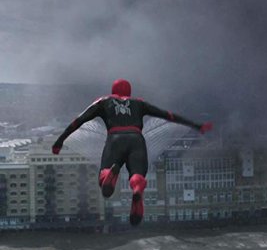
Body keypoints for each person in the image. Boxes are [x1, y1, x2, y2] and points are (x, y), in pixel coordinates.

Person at [52, 79, 212, 225]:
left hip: (115, 138)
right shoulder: (139, 103)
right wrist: (196, 125)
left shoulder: (103, 101)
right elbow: (168, 115)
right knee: (137, 174)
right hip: (136, 139)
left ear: (113, 90)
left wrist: (60, 141)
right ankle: (136, 189)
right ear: (129, 91)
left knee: (104, 177)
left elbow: (79, 121)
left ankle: (108, 176)